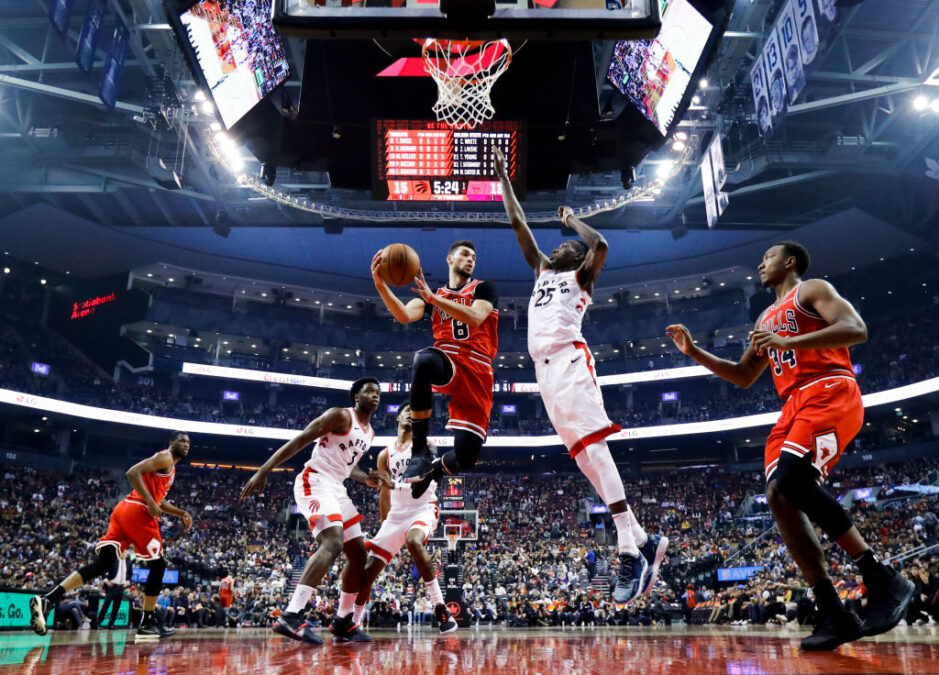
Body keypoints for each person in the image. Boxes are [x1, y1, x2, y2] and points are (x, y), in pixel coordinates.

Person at [665, 241, 914, 650]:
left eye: (769, 256)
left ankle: (882, 579)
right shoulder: (765, 316)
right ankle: (834, 612)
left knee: (794, 480)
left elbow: (857, 329)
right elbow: (744, 374)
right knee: (779, 495)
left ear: (790, 262)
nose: (761, 263)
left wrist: (788, 343)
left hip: (828, 388)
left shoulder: (811, 290)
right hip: (792, 405)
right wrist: (693, 352)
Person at [496, 147, 666, 605]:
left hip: (570, 361)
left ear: (575, 255)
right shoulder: (542, 271)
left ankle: (629, 548)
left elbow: (601, 246)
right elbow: (519, 226)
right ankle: (642, 537)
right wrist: (503, 182)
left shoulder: (581, 276)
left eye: (563, 247)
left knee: (595, 446)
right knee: (582, 457)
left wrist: (573, 222)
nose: (555, 247)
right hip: (543, 372)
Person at [241, 377, 391, 645]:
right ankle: (291, 615)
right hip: (315, 480)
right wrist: (264, 470)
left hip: (337, 486)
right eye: (369, 390)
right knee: (332, 543)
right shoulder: (340, 415)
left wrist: (365, 478)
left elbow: (347, 468)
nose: (375, 395)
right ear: (356, 397)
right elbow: (300, 440)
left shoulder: (370, 433)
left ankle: (343, 621)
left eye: (378, 392)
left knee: (358, 554)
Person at [29, 432, 193, 641]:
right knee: (158, 566)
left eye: (188, 442)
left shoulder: (170, 469)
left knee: (104, 563)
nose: (186, 444)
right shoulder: (165, 457)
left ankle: (48, 599)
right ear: (171, 443)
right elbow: (132, 473)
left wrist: (182, 513)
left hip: (123, 510)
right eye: (182, 440)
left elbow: (159, 501)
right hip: (138, 511)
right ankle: (147, 622)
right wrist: (150, 502)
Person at [371, 239, 499, 497]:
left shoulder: (484, 288)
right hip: (448, 359)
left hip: (477, 367)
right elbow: (405, 315)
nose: (471, 259)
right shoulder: (433, 297)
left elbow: (475, 317)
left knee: (466, 457)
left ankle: (433, 470)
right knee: (424, 359)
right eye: (464, 254)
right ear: (450, 259)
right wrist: (381, 286)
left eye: (474, 256)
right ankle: (419, 450)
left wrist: (433, 298)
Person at [344, 404, 457, 634]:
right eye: (407, 411)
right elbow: (385, 494)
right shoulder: (385, 454)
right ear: (398, 417)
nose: (410, 415)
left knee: (414, 542)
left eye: (415, 413)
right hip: (396, 515)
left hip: (422, 507)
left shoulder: (427, 445)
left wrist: (393, 484)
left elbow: (421, 482)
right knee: (367, 572)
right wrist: (386, 529)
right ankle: (352, 622)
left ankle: (440, 607)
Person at [96, 556, 128, 630]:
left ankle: (111, 624)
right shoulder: (113, 560)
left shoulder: (128, 562)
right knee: (106, 605)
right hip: (112, 586)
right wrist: (106, 581)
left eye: (126, 552)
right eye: (123, 551)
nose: (125, 553)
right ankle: (98, 623)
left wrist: (128, 582)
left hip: (121, 587)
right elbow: (103, 570)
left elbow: (130, 574)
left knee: (116, 607)